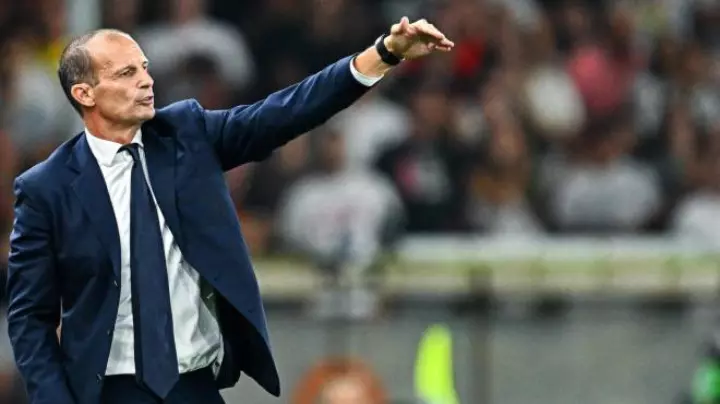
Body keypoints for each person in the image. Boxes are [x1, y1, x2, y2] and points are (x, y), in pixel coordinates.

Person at [5, 16, 453, 404]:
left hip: (193, 387)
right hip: (109, 391)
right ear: (85, 93)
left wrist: (384, 53)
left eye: (144, 67)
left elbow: (285, 112)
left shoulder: (187, 133)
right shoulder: (46, 188)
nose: (146, 80)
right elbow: (30, 318)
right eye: (125, 73)